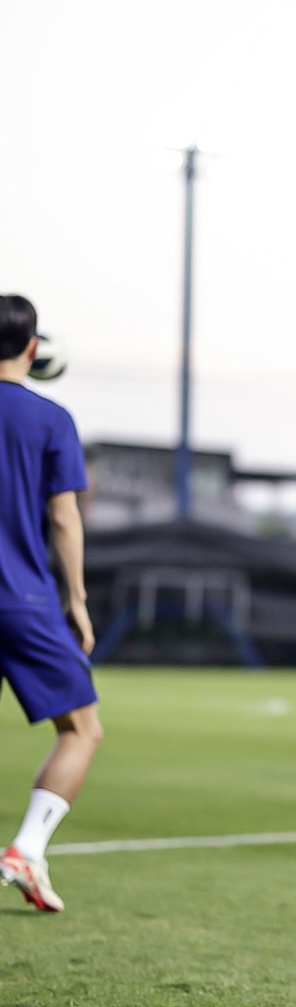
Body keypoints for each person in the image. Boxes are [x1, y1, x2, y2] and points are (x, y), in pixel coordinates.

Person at [0, 294, 104, 913]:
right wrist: (78, 600)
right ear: (33, 347)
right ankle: (27, 849)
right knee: (82, 729)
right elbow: (64, 518)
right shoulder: (50, 417)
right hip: (22, 599)